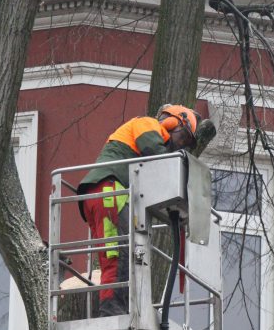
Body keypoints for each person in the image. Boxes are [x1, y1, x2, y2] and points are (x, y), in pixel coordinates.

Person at [77, 104, 199, 316]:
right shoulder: (147, 124)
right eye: (183, 137)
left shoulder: (144, 147)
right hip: (109, 191)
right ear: (171, 122)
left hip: (108, 194)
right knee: (118, 256)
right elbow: (153, 150)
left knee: (119, 255)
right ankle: (112, 312)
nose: (181, 145)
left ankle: (119, 309)